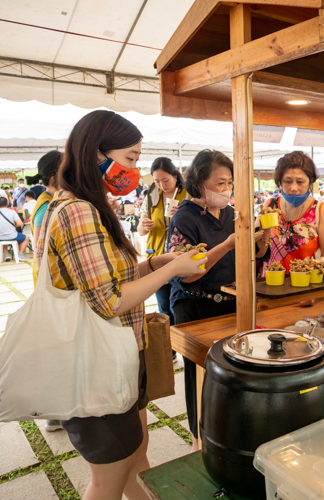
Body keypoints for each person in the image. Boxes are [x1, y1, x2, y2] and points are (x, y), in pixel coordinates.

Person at [35, 109, 206, 500]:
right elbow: (109, 301)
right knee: (107, 480)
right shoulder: (78, 210)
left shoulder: (90, 205)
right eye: (129, 157)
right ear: (95, 154)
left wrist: (154, 263)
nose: (135, 168)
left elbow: (107, 279)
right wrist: (173, 268)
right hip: (95, 367)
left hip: (118, 359)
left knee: (134, 459)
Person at [168, 149, 270, 453]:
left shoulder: (230, 214)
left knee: (231, 375)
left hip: (229, 302)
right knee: (201, 376)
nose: (227, 190)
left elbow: (247, 257)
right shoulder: (183, 218)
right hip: (196, 305)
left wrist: (260, 246)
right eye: (220, 183)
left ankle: (230, 436)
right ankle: (200, 441)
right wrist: (226, 245)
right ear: (200, 183)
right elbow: (186, 273)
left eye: (230, 183)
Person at [137, 157, 189, 361]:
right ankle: (171, 349)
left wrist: (183, 214)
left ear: (175, 176)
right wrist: (144, 225)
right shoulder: (151, 196)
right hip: (157, 257)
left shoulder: (188, 195)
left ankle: (184, 345)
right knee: (164, 306)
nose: (161, 185)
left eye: (165, 180)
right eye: (157, 181)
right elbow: (140, 231)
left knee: (180, 306)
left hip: (180, 258)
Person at [262, 151, 324, 271]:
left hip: (306, 285)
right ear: (279, 181)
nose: (294, 188)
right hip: (269, 284)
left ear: (310, 182)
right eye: (287, 181)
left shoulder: (320, 210)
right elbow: (256, 250)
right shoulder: (269, 206)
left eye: (300, 182)